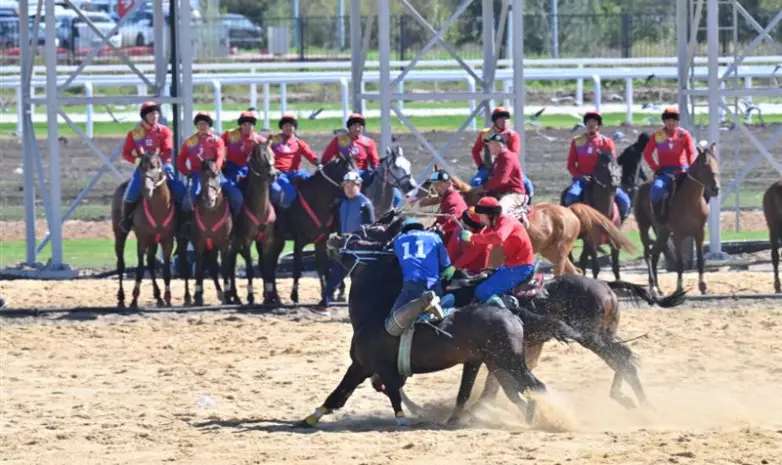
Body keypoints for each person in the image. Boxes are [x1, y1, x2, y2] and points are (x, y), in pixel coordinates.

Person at [311, 171, 376, 317]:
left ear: (358, 186)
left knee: (358, 281)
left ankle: (360, 307)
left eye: (351, 185)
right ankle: (324, 304)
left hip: (359, 249)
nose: (348, 188)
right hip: (345, 247)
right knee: (335, 275)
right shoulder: (342, 203)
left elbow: (370, 228)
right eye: (346, 185)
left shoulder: (365, 204)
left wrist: (355, 237)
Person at [118, 101, 184, 233]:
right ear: (144, 116)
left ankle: (183, 221)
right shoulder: (134, 133)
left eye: (156, 113)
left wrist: (157, 160)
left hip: (163, 166)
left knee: (180, 189)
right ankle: (126, 220)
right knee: (130, 192)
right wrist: (135, 157)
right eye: (151, 113)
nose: (155, 116)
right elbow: (126, 153)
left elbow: (168, 150)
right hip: (143, 168)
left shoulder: (164, 131)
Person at [459, 196, 536, 308]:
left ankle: (509, 312)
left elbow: (499, 237)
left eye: (481, 216)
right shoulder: (495, 225)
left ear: (490, 215)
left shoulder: (506, 222)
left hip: (520, 268)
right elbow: (480, 244)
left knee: (481, 291)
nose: (480, 220)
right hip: (511, 265)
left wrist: (472, 237)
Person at [562, 110, 632, 221]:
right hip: (582, 179)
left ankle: (619, 224)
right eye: (589, 122)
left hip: (604, 180)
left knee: (625, 201)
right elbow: (570, 165)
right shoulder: (577, 141)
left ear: (598, 125)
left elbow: (613, 165)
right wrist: (580, 176)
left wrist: (611, 179)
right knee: (572, 196)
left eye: (594, 122)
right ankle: (572, 225)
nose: (591, 124)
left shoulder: (606, 142)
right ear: (585, 124)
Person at [176, 112, 242, 226]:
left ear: (209, 125)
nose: (202, 126)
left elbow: (220, 156)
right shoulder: (190, 141)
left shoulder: (216, 140)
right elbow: (180, 160)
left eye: (205, 124)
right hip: (198, 174)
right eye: (199, 124)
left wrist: (216, 168)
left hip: (215, 174)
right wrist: (187, 172)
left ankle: (236, 224)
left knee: (236, 196)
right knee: (189, 198)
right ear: (196, 125)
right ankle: (187, 225)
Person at [388, 218, 455, 322]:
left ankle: (425, 312)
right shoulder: (435, 237)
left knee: (392, 322)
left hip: (412, 287)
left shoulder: (399, 239)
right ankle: (437, 306)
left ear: (405, 230)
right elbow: (446, 264)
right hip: (435, 286)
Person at [642, 107, 697, 225]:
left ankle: (700, 215)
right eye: (668, 120)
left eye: (674, 119)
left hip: (683, 170)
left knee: (701, 187)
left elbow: (691, 152)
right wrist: (655, 167)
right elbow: (647, 153)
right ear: (664, 121)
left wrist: (691, 166)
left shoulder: (684, 134)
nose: (671, 122)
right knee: (656, 190)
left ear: (677, 121)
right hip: (664, 172)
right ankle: (658, 217)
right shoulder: (658, 135)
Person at [469, 106, 534, 198]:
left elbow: (514, 154)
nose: (504, 120)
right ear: (495, 120)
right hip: (488, 167)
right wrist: (481, 166)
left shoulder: (512, 135)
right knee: (474, 183)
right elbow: (475, 150)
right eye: (501, 118)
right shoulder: (486, 134)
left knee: (527, 184)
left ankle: (527, 206)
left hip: (506, 166)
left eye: (506, 118)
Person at [268, 113, 320, 209]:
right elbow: (265, 154)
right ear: (281, 127)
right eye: (286, 125)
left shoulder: (298, 142)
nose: (289, 128)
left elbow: (311, 155)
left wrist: (319, 164)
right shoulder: (273, 141)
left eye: (291, 125)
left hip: (295, 172)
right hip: (279, 173)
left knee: (314, 183)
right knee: (289, 193)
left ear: (295, 127)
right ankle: (283, 213)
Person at [472, 133, 526, 213]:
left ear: (500, 145)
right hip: (501, 193)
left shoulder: (508, 158)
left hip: (513, 194)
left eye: (491, 144)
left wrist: (483, 188)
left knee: (499, 211)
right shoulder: (499, 158)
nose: (489, 147)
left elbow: (501, 180)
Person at [320, 113, 380, 186]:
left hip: (362, 174)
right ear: (349, 126)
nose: (357, 128)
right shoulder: (340, 140)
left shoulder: (369, 142)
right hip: (344, 175)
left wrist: (377, 170)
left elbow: (375, 162)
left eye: (360, 125)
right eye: (354, 125)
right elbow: (325, 158)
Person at [221, 111, 267, 192]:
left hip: (249, 170)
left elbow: (269, 150)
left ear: (253, 126)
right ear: (240, 125)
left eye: (250, 124)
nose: (247, 127)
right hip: (230, 168)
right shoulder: (229, 135)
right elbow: (218, 144)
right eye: (244, 124)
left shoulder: (259, 139)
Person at [429, 169, 468, 246]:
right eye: (434, 184)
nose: (436, 188)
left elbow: (455, 221)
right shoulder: (447, 198)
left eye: (439, 184)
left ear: (449, 183)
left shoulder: (452, 200)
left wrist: (440, 228)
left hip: (453, 245)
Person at [446, 208, 492, 274]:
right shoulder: (464, 222)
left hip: (466, 274)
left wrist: (454, 268)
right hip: (450, 263)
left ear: (472, 229)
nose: (460, 223)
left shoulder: (484, 242)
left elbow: (472, 255)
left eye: (464, 225)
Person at [617, 132, 651, 198]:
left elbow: (619, 161)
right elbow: (638, 169)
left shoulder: (630, 149)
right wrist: (645, 179)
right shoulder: (637, 152)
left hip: (625, 181)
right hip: (631, 184)